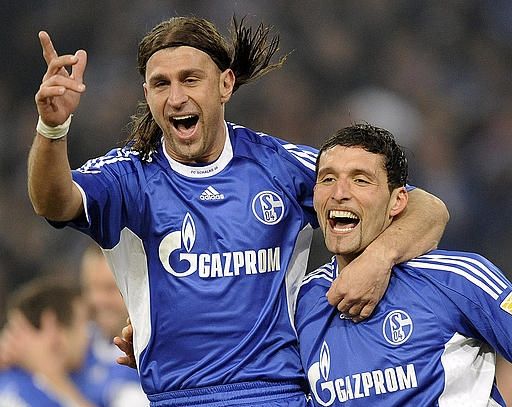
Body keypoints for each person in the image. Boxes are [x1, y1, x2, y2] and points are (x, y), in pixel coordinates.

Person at [27, 16, 449, 405]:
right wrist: (52, 128)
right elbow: (52, 201)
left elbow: (426, 209)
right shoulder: (129, 178)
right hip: (179, 397)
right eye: (161, 84)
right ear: (147, 95)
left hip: (277, 395)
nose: (176, 97)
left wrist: (377, 260)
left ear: (225, 84)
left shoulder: (279, 166)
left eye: (190, 79)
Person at [295, 123, 512, 406]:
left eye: (360, 180)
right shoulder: (299, 302)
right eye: (327, 179)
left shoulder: (458, 279)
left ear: (397, 201)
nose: (339, 193)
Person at [0, 277, 96, 406]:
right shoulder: (18, 396)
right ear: (52, 327)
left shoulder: (82, 373)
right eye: (82, 324)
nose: (87, 337)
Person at [79, 243, 147, 406]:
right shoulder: (76, 344)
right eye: (90, 288)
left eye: (109, 289)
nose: (97, 299)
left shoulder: (152, 355)